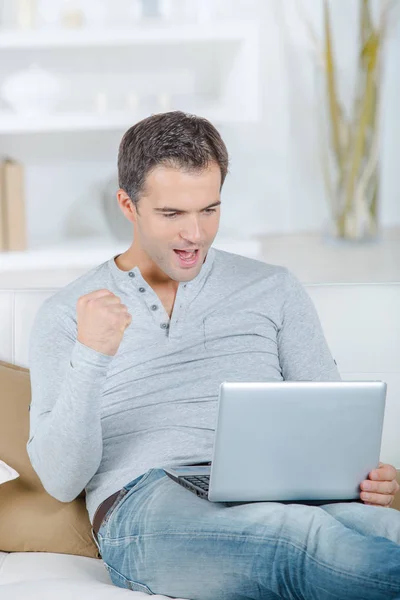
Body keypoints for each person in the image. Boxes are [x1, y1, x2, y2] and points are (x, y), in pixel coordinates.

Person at [28, 111, 400, 600]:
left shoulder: (274, 288)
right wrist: (93, 355)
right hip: (147, 502)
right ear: (128, 204)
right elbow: (59, 480)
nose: (195, 235)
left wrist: (371, 483)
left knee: (381, 530)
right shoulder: (67, 313)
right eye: (172, 215)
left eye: (209, 209)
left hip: (276, 490)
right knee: (299, 539)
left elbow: (330, 425)